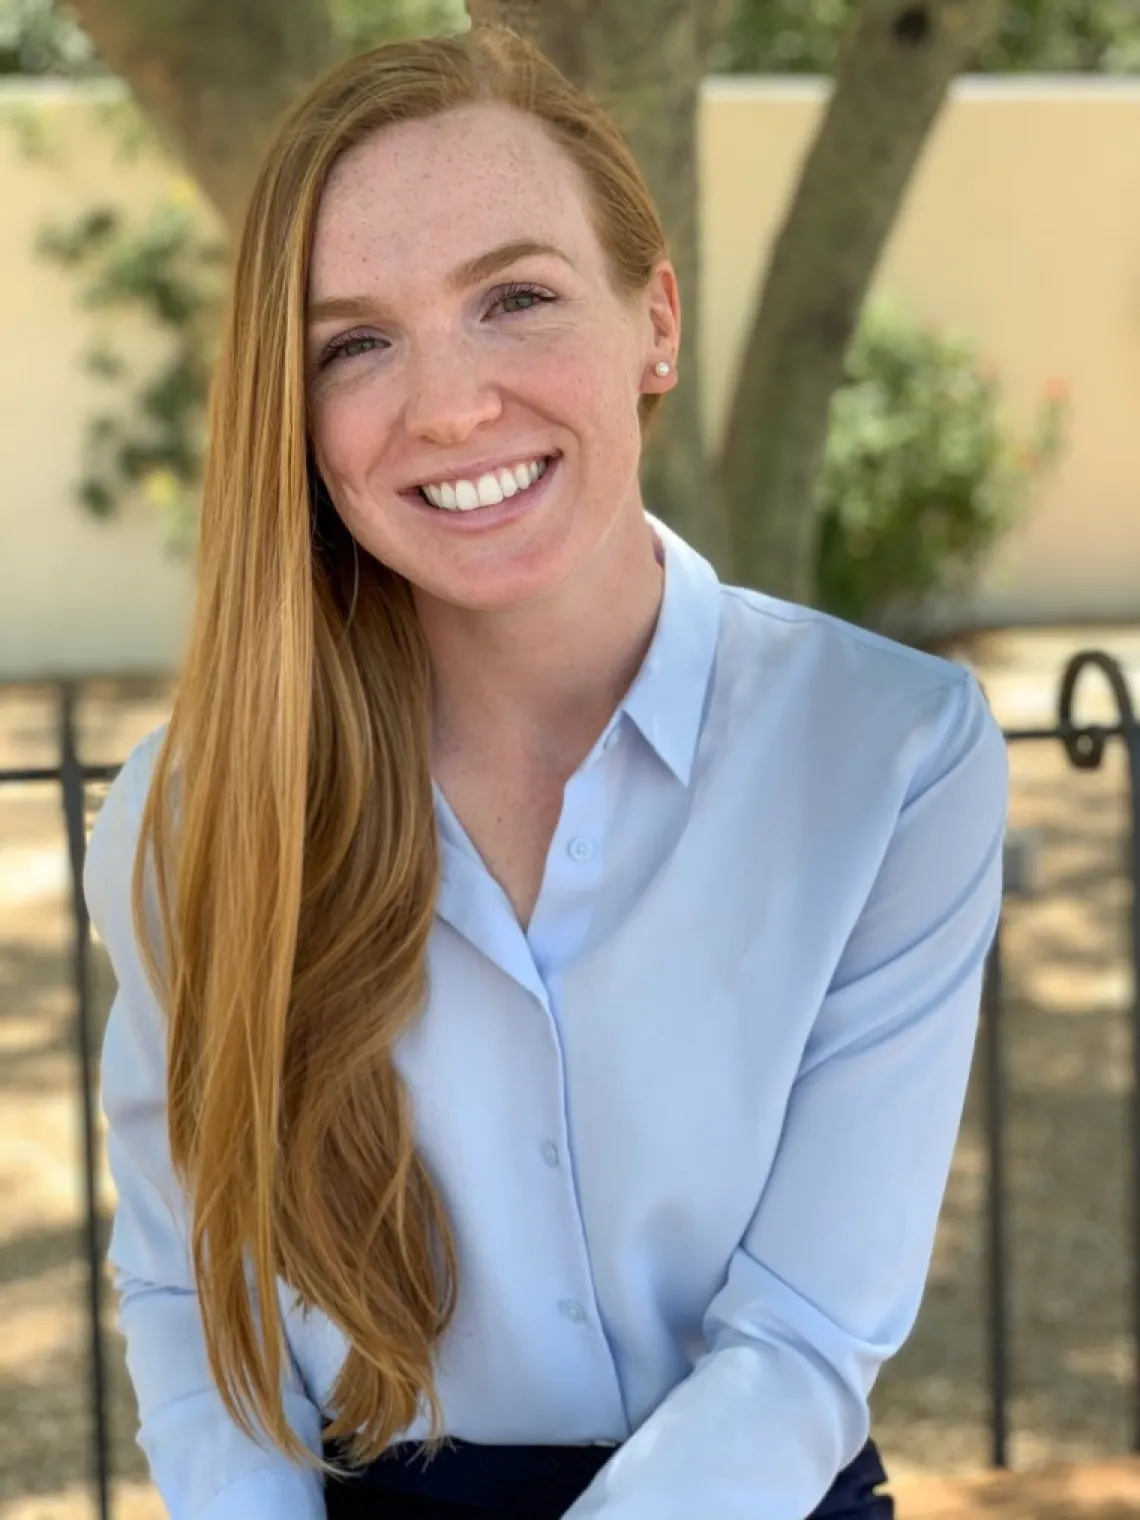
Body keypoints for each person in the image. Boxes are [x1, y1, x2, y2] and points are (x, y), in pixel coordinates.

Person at [86, 24, 1008, 1520]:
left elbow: (799, 1345)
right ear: (295, 415)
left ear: (656, 320)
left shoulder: (890, 753)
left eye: (514, 298)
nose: (449, 407)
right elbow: (200, 1309)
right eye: (355, 342)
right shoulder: (188, 814)